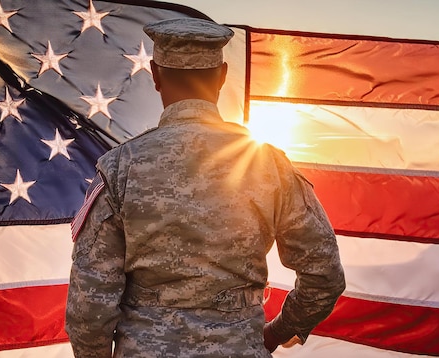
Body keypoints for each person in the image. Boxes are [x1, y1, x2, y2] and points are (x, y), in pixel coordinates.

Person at [65, 17, 346, 357]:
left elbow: (89, 305)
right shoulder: (270, 166)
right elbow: (324, 275)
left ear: (155, 75)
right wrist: (276, 333)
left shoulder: (119, 167)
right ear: (222, 76)